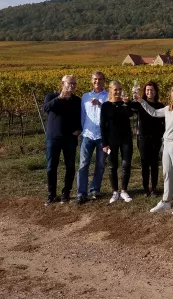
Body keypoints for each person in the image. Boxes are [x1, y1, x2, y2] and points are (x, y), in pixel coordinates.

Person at [135, 84, 173, 214]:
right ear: (171, 94)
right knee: (166, 173)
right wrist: (142, 101)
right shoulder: (168, 109)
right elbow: (154, 113)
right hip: (166, 143)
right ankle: (166, 201)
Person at [43, 75, 82, 205]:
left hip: (70, 138)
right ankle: (51, 194)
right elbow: (46, 108)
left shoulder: (77, 100)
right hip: (53, 137)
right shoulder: (51, 97)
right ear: (62, 84)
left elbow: (82, 117)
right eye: (69, 83)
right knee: (51, 166)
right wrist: (59, 98)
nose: (72, 86)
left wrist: (79, 129)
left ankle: (66, 193)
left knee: (70, 166)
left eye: (74, 84)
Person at [76, 71, 108, 204]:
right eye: (95, 79)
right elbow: (83, 115)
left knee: (100, 164)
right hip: (88, 135)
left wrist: (100, 104)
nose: (97, 81)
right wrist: (83, 130)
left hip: (102, 135)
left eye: (100, 79)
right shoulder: (85, 96)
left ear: (103, 81)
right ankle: (81, 193)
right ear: (91, 80)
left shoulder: (108, 96)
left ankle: (95, 189)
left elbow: (109, 113)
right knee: (83, 164)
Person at [100, 81, 134, 204]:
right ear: (110, 90)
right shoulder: (105, 106)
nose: (118, 92)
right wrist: (104, 143)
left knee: (126, 164)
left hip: (126, 139)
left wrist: (127, 104)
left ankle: (124, 190)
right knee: (112, 166)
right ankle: (115, 191)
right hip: (111, 140)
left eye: (120, 89)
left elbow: (130, 114)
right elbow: (102, 125)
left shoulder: (125, 104)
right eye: (115, 90)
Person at [132, 81, 165, 196]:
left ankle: (154, 188)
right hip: (143, 138)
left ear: (155, 92)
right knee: (145, 164)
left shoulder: (160, 106)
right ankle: (146, 188)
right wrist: (133, 96)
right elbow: (131, 107)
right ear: (144, 92)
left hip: (155, 138)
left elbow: (164, 122)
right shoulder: (140, 104)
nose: (149, 92)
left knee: (155, 163)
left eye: (152, 90)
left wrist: (162, 133)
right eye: (147, 90)